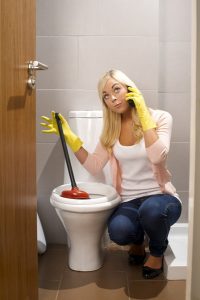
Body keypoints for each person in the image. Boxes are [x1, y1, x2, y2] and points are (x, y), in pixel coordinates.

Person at [40, 69, 182, 279]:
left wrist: (143, 115)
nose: (112, 98)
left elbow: (157, 157)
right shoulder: (111, 129)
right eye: (106, 96)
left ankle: (158, 251)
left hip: (161, 198)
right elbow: (94, 165)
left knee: (151, 211)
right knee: (119, 231)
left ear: (130, 89)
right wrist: (71, 139)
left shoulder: (160, 117)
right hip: (129, 201)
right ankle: (136, 241)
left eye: (116, 89)